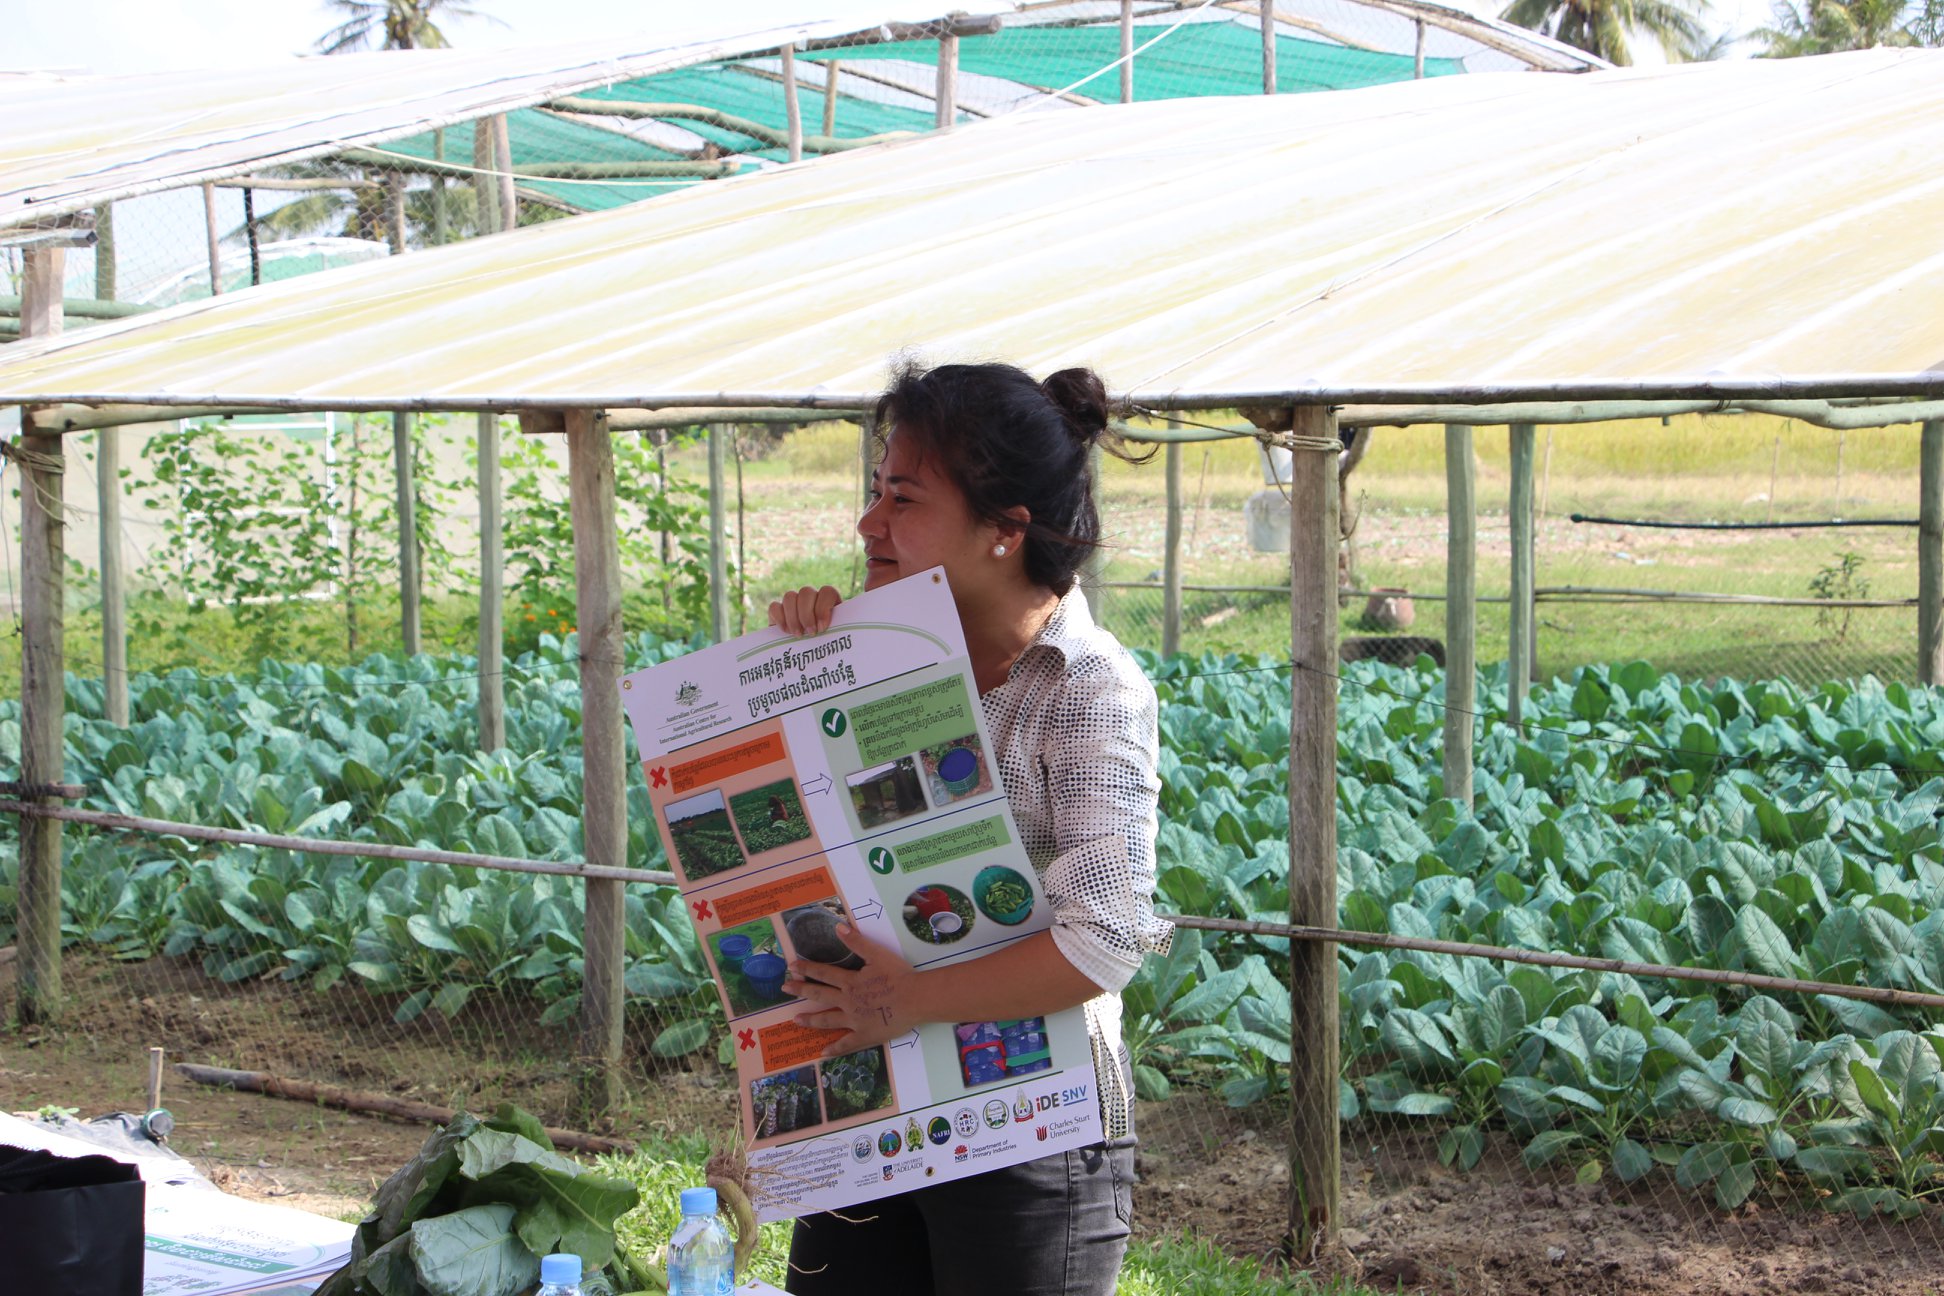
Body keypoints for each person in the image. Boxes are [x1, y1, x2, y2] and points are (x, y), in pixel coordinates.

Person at [769, 362, 1172, 1296]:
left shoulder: (1087, 688)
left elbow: (1103, 942)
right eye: (875, 492)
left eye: (902, 498)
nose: (869, 524)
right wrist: (790, 678)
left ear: (1004, 531)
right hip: (872, 1093)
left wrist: (903, 999)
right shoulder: (871, 653)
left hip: (1032, 1125)